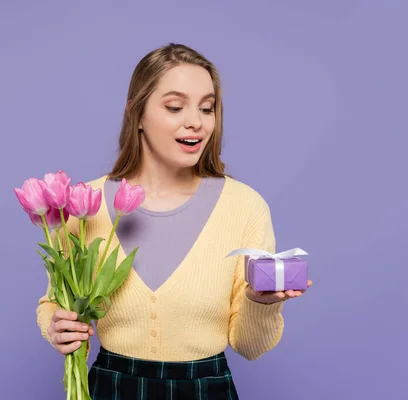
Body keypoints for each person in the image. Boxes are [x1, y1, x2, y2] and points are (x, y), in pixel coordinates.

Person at [36, 43, 312, 399]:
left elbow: (250, 347)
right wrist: (56, 326)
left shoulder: (244, 206)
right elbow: (53, 304)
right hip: (112, 387)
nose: (196, 121)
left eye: (207, 108)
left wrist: (262, 302)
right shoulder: (83, 204)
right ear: (137, 113)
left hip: (206, 388)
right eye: (175, 107)